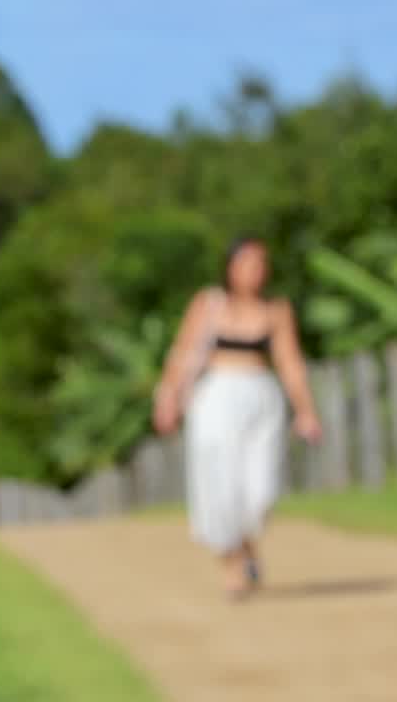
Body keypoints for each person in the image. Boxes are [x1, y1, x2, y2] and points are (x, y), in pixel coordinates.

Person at [152, 236, 322, 600]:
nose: (255, 271)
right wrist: (168, 397)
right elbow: (184, 352)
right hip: (216, 398)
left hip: (261, 397)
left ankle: (246, 545)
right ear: (229, 267)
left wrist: (306, 411)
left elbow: (290, 363)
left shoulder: (276, 310)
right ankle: (232, 566)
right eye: (246, 263)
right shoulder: (209, 304)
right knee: (219, 485)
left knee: (260, 490)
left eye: (261, 263)